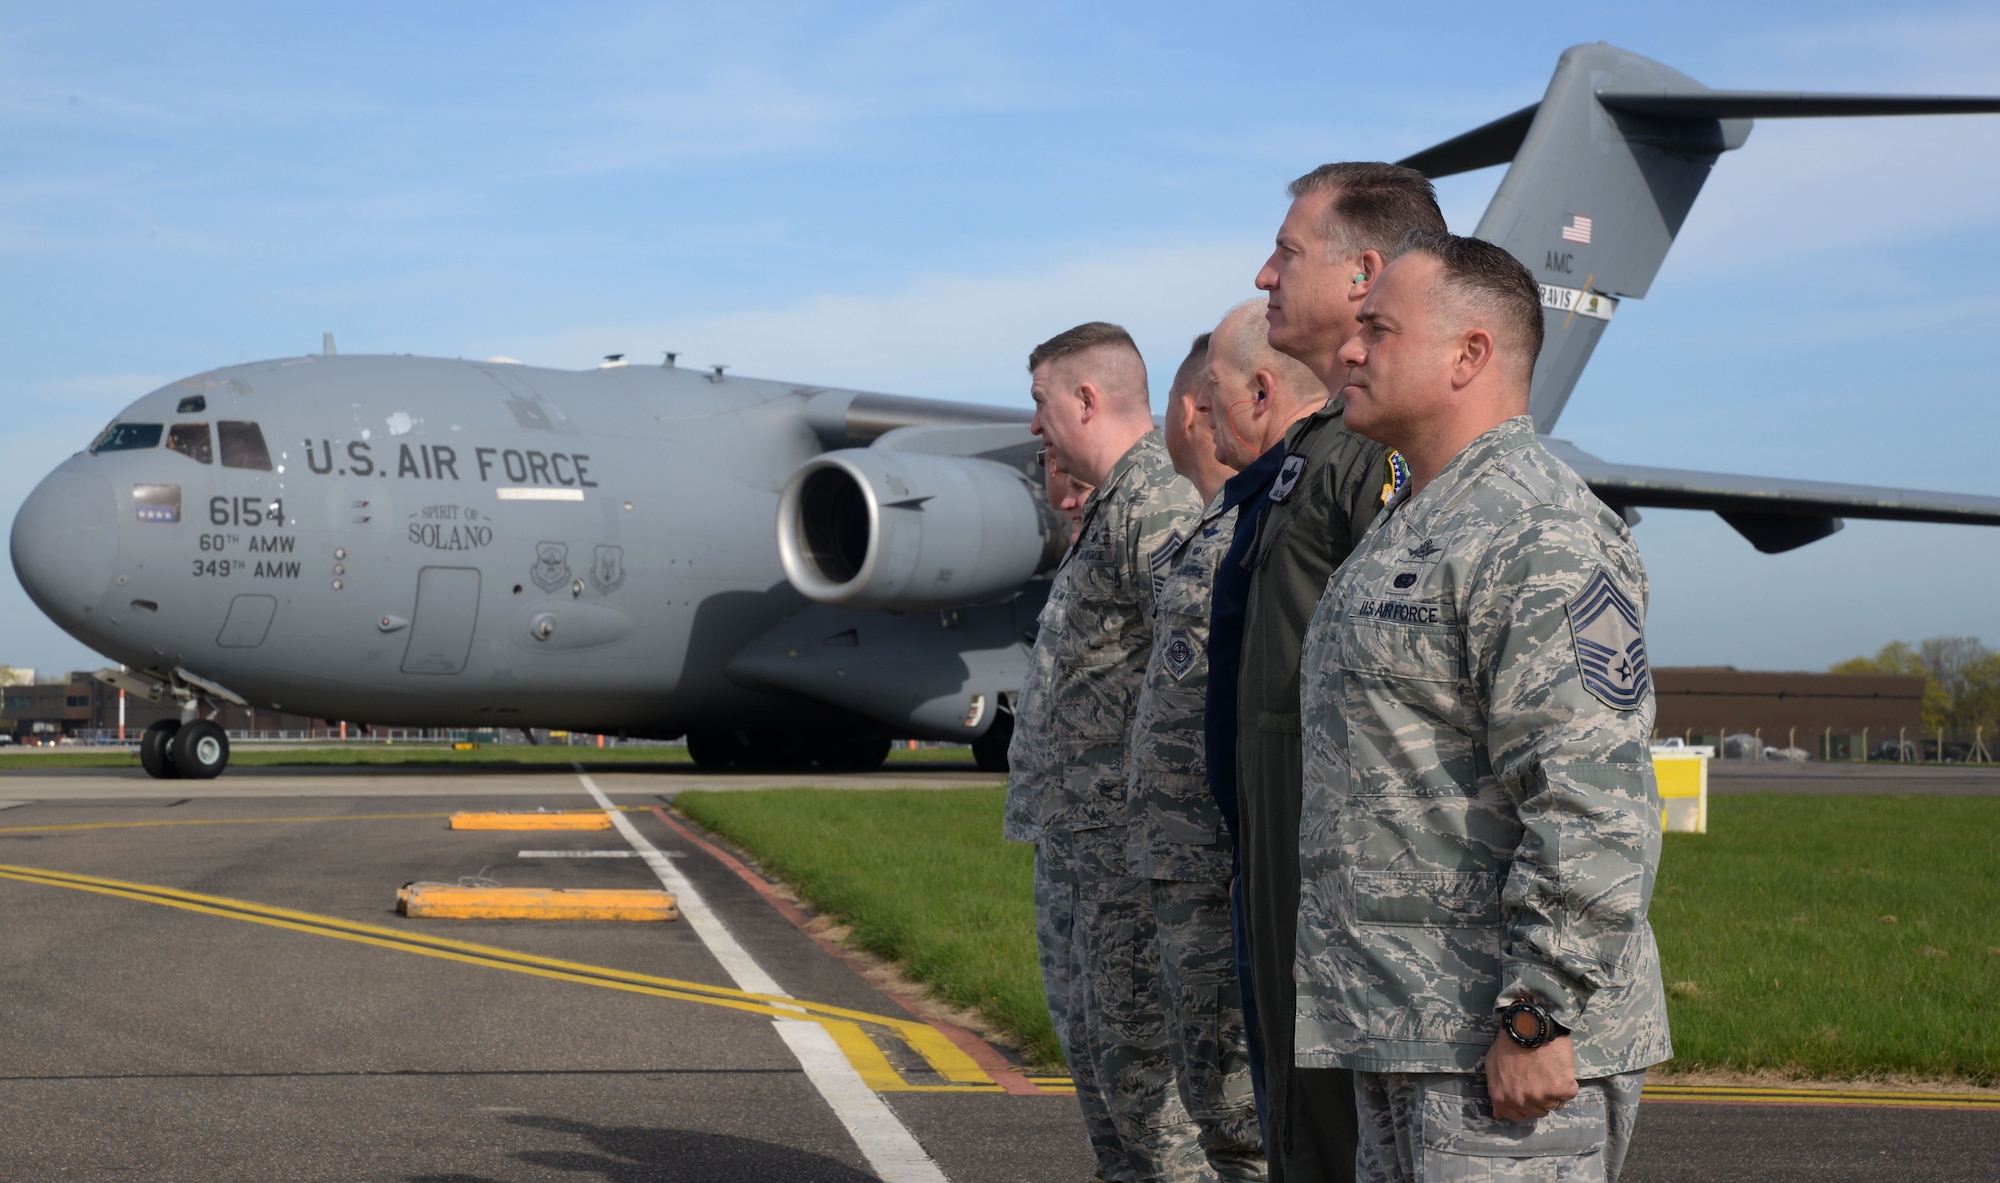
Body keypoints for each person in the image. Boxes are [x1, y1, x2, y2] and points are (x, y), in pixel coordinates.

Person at [1295, 230, 1671, 1182]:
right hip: (1405, 1030)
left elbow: (1593, 798)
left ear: (1469, 354)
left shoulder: (1536, 529)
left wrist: (1538, 1010)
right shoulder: (1418, 520)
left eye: (1378, 329)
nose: (1349, 348)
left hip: (1502, 1049)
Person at [1233, 162, 1447, 1183]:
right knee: (1298, 1106)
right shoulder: (1319, 450)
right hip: (1281, 827)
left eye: (1285, 252)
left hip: (1338, 849)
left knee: (1335, 1118)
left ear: (1363, 272)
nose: (1261, 273)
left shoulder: (1372, 463)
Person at [1029, 321, 1208, 1181]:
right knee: (1109, 1084)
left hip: (1133, 862)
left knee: (1150, 1098)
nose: (1036, 427)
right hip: (1086, 854)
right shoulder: (1105, 512)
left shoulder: (1156, 502)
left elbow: (1196, 666)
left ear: (1085, 399)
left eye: (1041, 403)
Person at [1188, 296, 1331, 1131]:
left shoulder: (1337, 478)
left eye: (1214, 386)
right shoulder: (1267, 496)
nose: (1200, 406)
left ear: (1262, 391)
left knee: (1307, 1119)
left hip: (1301, 862)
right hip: (1259, 851)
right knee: (1284, 1121)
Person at [1127, 333, 1264, 1181]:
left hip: (1219, 874)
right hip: (1186, 871)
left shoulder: (1254, 535)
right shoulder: (1209, 534)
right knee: (1219, 1113)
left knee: (1242, 1122)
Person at [1005, 449, 1115, 1175]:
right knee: (1088, 1051)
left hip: (1116, 846)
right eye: (1057, 482)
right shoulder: (1078, 567)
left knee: (1135, 1071)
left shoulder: (1147, 534)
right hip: (1063, 836)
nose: (1066, 498)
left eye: (1082, 484)